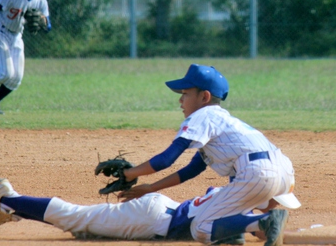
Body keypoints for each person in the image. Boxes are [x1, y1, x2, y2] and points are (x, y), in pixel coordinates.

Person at [116, 64, 301, 246]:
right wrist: (151, 188)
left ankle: (265, 221)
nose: (180, 100)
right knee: (233, 214)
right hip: (282, 171)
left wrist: (129, 173)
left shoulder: (202, 115)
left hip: (258, 173)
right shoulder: (223, 122)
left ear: (204, 97)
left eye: (185, 93)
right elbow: (192, 169)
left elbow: (166, 159)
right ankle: (236, 232)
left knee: (201, 228)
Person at [0, 178, 282, 243]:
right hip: (150, 219)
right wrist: (260, 225)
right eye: (275, 202)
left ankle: (10, 202)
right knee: (77, 218)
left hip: (157, 212)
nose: (276, 206)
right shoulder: (239, 212)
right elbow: (256, 224)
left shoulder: (229, 196)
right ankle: (5, 200)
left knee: (82, 225)